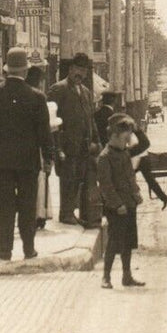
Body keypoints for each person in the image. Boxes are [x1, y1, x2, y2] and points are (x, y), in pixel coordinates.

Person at [0, 47, 54, 261]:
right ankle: (29, 249)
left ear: (6, 70)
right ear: (26, 72)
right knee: (28, 206)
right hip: (28, 161)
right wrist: (48, 158)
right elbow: (44, 132)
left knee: (4, 205)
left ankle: (5, 249)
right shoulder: (37, 97)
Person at [49, 53, 102, 229]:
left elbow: (91, 119)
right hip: (67, 144)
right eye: (77, 69)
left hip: (84, 145)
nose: (80, 74)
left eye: (84, 71)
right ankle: (65, 213)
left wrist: (97, 140)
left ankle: (71, 211)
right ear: (70, 70)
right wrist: (57, 146)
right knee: (67, 179)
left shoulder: (86, 92)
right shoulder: (59, 89)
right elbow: (51, 119)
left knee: (78, 178)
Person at [98, 113, 147, 288]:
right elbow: (106, 186)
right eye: (126, 136)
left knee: (128, 242)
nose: (128, 141)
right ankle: (106, 277)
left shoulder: (124, 153)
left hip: (129, 203)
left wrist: (136, 193)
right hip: (116, 207)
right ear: (114, 136)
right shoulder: (105, 157)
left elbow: (130, 177)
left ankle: (127, 276)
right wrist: (117, 204)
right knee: (113, 242)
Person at [27, 64, 54, 230]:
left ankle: (35, 215)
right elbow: (45, 128)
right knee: (40, 181)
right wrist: (49, 153)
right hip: (37, 148)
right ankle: (39, 215)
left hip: (28, 148)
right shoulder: (38, 97)